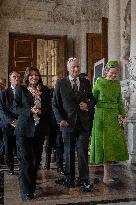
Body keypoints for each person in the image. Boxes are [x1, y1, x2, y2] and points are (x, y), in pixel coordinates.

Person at [52, 57, 96, 192]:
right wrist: (61, 120)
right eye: (73, 67)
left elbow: (93, 99)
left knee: (82, 152)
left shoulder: (85, 82)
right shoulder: (60, 83)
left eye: (78, 66)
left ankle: (84, 180)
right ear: (68, 68)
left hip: (83, 124)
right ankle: (69, 179)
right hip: (67, 124)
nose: (76, 69)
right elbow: (55, 104)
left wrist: (87, 104)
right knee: (69, 152)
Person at [14, 67, 50, 201]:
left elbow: (48, 108)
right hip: (24, 130)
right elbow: (16, 107)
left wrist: (41, 111)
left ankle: (32, 186)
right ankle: (27, 189)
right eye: (31, 75)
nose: (34, 77)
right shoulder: (21, 89)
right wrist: (30, 110)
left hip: (39, 130)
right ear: (27, 77)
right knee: (26, 160)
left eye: (36, 75)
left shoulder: (44, 90)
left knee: (36, 161)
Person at [90, 60, 129, 185]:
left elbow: (120, 102)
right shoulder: (99, 82)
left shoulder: (117, 85)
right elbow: (92, 99)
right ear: (106, 71)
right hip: (101, 115)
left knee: (112, 145)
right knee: (104, 145)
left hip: (113, 116)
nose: (114, 75)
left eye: (116, 73)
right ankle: (106, 176)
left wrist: (123, 116)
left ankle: (108, 175)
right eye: (112, 73)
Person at [0, 72, 21, 175]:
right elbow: (2, 110)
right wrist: (12, 121)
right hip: (7, 125)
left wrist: (19, 121)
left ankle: (22, 166)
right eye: (14, 77)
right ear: (10, 79)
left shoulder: (24, 92)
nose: (16, 78)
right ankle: (10, 168)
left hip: (21, 124)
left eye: (18, 77)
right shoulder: (4, 93)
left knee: (20, 147)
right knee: (8, 147)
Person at [45, 75, 64, 175]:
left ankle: (59, 166)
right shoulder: (48, 92)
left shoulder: (64, 92)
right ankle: (47, 163)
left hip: (60, 122)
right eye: (54, 81)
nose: (56, 83)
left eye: (58, 80)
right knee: (49, 144)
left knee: (59, 144)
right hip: (50, 122)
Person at [0, 78, 6, 166]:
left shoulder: (5, 94)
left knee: (3, 142)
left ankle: (1, 158)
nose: (1, 86)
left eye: (3, 84)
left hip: (3, 121)